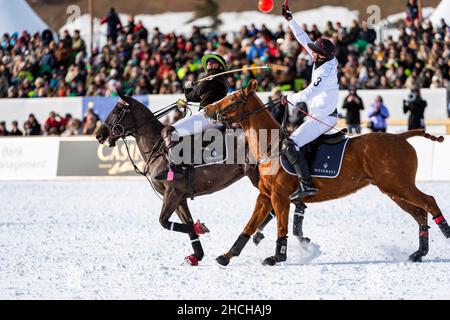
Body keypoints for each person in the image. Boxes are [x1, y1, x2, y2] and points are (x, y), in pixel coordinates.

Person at [280, 4, 339, 201]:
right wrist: (290, 20)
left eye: (314, 50)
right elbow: (304, 39)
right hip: (319, 115)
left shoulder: (326, 71)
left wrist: (289, 98)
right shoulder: (321, 58)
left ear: (321, 55)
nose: (310, 51)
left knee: (289, 144)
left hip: (323, 118)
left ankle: (306, 184)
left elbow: (308, 93)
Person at [159, 52, 228, 180]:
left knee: (170, 130)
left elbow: (196, 93)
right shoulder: (215, 79)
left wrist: (189, 86)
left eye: (213, 62)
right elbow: (193, 97)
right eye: (208, 63)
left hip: (209, 115)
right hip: (213, 117)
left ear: (220, 67)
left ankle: (174, 169)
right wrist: (188, 91)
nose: (209, 64)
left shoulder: (214, 76)